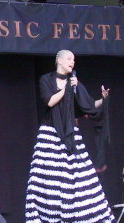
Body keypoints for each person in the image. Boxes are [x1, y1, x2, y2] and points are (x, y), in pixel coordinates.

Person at [25, 50, 115, 222]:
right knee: (48, 179)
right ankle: (47, 215)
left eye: (74, 60)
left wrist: (103, 99)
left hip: (71, 133)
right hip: (50, 132)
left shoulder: (75, 83)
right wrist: (67, 88)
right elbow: (50, 101)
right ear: (58, 60)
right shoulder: (46, 79)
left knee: (82, 178)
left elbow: (88, 106)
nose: (72, 62)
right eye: (69, 58)